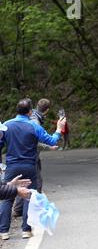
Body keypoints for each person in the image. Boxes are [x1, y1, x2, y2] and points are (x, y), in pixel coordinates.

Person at [0, 99, 66, 240]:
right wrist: (59, 129)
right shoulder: (33, 126)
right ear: (30, 112)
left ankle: (3, 231)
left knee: (7, 196)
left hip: (11, 166)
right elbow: (52, 140)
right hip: (29, 166)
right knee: (29, 196)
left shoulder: (6, 125)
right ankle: (26, 230)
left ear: (17, 110)